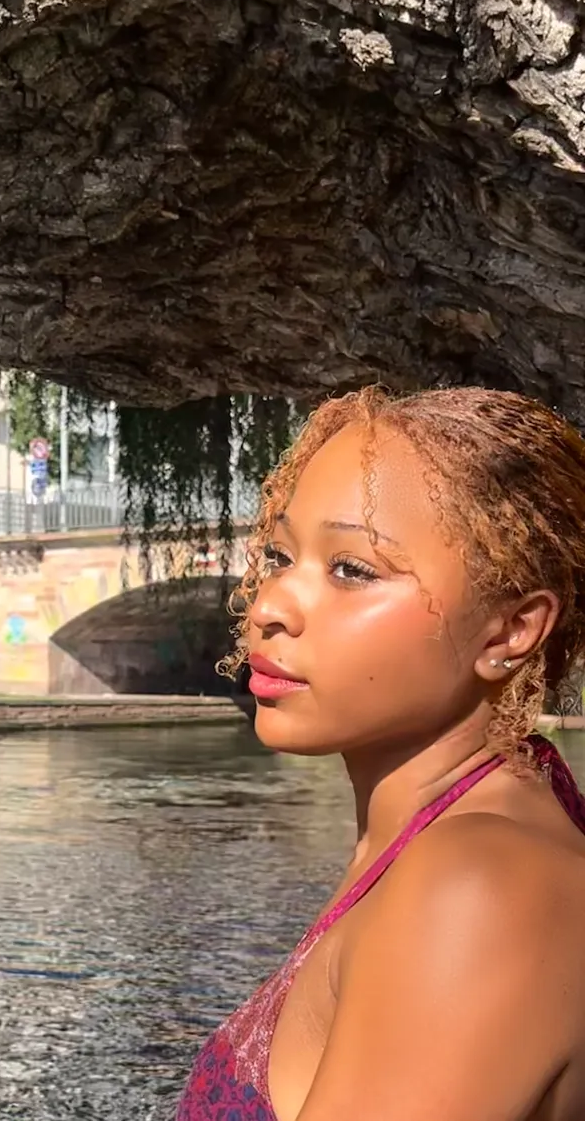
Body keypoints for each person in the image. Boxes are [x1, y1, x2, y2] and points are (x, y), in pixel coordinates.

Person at [177, 386, 585, 1121]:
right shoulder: (430, 839)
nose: (268, 605)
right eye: (279, 553)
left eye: (352, 570)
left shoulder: (481, 887)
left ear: (510, 631)